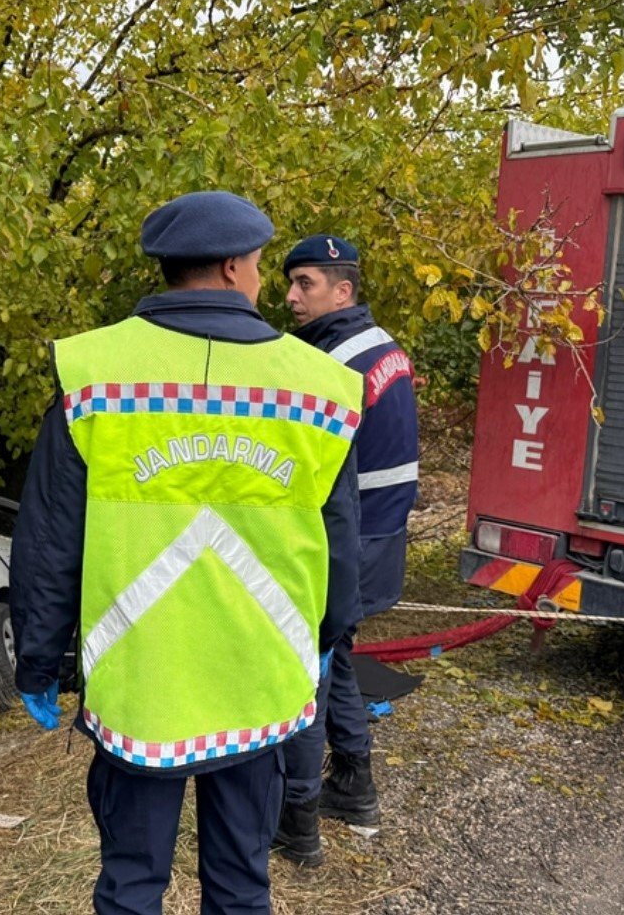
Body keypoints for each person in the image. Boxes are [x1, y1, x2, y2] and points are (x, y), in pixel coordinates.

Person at [10, 191, 363, 915]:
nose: (266, 281)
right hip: (258, 679)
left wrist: (38, 664)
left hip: (142, 682)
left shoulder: (94, 374)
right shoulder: (322, 391)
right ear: (234, 268)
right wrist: (330, 638)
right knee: (240, 886)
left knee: (131, 884)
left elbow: (49, 539)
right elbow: (341, 539)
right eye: (264, 266)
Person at [272, 234, 419, 867]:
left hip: (344, 541)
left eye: (305, 283)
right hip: (378, 536)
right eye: (289, 282)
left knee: (308, 671)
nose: (290, 296)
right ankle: (354, 786)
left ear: (343, 290)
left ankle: (297, 822)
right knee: (336, 653)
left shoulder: (334, 363)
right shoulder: (381, 348)